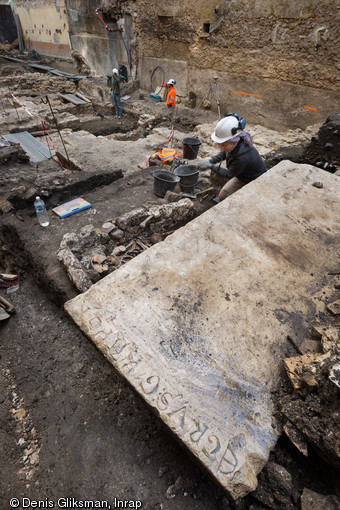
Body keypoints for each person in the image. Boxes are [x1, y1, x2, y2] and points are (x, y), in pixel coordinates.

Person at [198, 114, 267, 202]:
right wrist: (212, 160)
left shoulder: (242, 157)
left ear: (234, 141)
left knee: (225, 197)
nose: (221, 148)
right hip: (242, 173)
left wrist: (211, 166)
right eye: (220, 144)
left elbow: (229, 174)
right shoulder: (238, 140)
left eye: (224, 145)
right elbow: (224, 153)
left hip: (252, 178)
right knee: (223, 194)